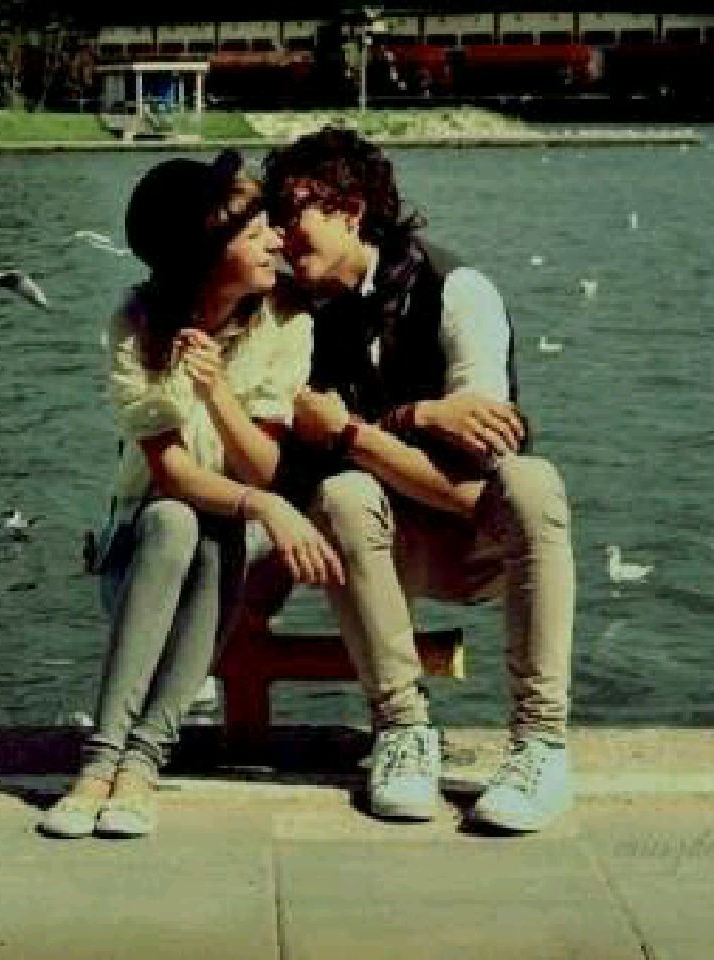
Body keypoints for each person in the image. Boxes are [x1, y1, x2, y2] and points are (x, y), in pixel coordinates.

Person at [260, 127, 575, 832]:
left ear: (352, 210)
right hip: (378, 546)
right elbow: (309, 470)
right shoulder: (293, 313)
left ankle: (541, 745)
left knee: (532, 484)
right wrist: (416, 423)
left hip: (480, 544)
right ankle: (402, 729)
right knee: (342, 494)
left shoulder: (458, 292)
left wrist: (360, 429)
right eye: (272, 217)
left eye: (293, 212)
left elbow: (475, 485)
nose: (279, 233)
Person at [39, 152, 343, 840]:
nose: (277, 240)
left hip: (232, 548)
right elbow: (171, 472)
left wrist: (216, 391)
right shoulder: (138, 321)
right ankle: (101, 763)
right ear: (207, 254)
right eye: (256, 232)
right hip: (142, 552)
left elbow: (262, 469)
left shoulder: (285, 320)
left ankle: (139, 764)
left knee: (217, 530)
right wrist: (267, 506)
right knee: (176, 520)